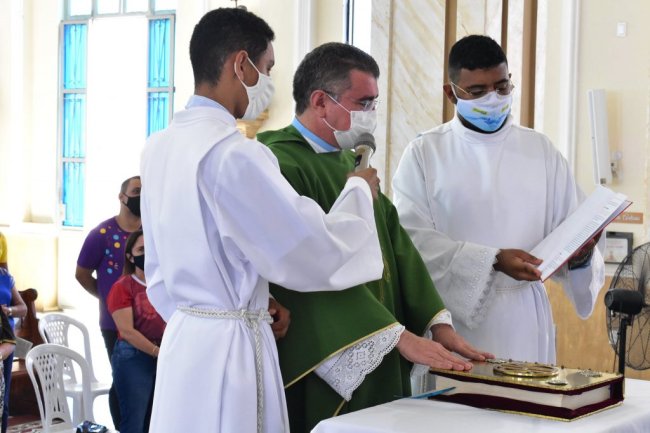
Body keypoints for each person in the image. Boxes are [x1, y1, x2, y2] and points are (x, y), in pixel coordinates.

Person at [140, 8, 384, 433]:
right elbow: (308, 249)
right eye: (267, 68)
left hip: (184, 342)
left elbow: (160, 270)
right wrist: (358, 194)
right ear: (241, 65)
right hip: (230, 353)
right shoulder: (234, 153)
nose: (268, 81)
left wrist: (242, 296)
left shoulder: (158, 146)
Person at [257, 42, 492, 433]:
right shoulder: (279, 164)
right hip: (332, 351)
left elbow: (395, 244)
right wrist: (394, 336)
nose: (370, 115)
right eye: (363, 103)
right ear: (320, 101)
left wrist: (437, 323)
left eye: (374, 103)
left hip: (384, 342)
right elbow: (304, 270)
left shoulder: (352, 164)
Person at [392, 34, 605, 365]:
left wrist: (581, 255)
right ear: (451, 93)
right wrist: (491, 260)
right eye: (477, 91)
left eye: (502, 87)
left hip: (525, 317)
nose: (493, 99)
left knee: (525, 396)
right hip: (456, 322)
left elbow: (573, 227)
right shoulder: (425, 153)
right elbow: (412, 242)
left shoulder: (540, 150)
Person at [75, 175, 141, 428]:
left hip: (150, 322)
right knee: (123, 378)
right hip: (115, 324)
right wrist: (109, 299)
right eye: (136, 191)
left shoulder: (152, 232)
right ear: (122, 197)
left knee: (145, 379)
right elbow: (82, 274)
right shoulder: (102, 234)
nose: (142, 196)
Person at [107, 229, 164, 433]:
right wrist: (158, 352)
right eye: (141, 250)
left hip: (162, 353)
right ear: (130, 257)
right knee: (135, 421)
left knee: (156, 420)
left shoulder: (164, 284)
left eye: (151, 249)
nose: (147, 254)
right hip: (134, 356)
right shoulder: (123, 287)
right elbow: (127, 331)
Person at [0, 267, 25, 432]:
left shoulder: (5, 276)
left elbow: (23, 308)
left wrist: (9, 310)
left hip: (5, 342)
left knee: (3, 400)